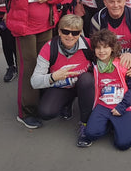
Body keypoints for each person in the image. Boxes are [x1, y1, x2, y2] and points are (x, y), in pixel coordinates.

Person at [0, 0, 66, 129]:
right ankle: (26, 112)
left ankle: (43, 103)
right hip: (24, 28)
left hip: (46, 25)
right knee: (28, 69)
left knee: (44, 66)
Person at [30, 15, 94, 146]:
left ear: (80, 33)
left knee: (87, 79)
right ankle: (67, 103)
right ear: (59, 31)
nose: (70, 36)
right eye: (65, 31)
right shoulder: (49, 48)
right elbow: (34, 81)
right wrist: (53, 77)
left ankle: (85, 123)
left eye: (75, 32)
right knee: (46, 112)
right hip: (61, 86)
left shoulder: (89, 44)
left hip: (83, 86)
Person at [86, 29, 131, 150]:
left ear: (112, 48)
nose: (102, 51)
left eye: (105, 47)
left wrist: (122, 106)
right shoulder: (93, 66)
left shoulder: (123, 64)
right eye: (98, 48)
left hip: (122, 105)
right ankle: (111, 124)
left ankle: (126, 125)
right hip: (103, 104)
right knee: (90, 134)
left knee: (123, 144)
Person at [91, 0, 131, 75]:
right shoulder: (97, 19)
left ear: (125, 1)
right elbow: (94, 48)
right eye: (111, 2)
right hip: (105, 62)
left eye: (119, 1)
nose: (116, 5)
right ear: (105, 2)